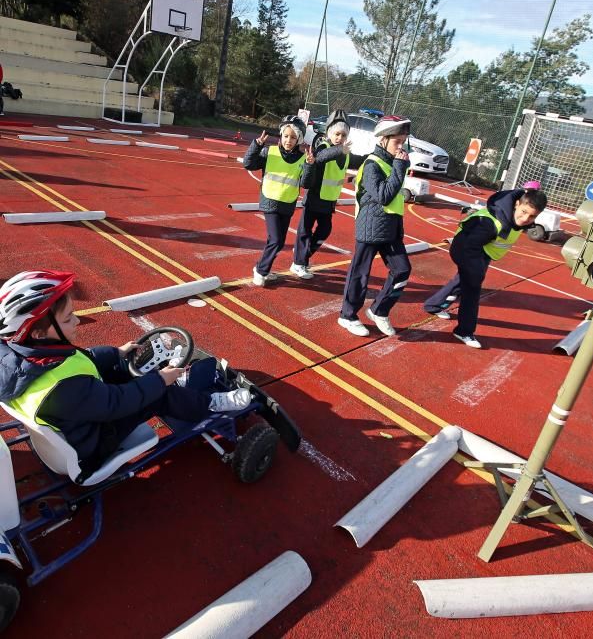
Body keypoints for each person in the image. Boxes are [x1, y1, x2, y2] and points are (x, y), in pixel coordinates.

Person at [0, 270, 253, 476]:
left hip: (74, 428)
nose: (77, 321)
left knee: (126, 370)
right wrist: (159, 380)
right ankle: (211, 402)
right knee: (156, 394)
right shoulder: (63, 389)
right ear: (39, 333)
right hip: (92, 446)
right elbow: (118, 403)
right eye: (68, 319)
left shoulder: (26, 356)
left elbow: (80, 359)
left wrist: (116, 353)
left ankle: (169, 380)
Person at [423, 188, 548, 348]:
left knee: (462, 281)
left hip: (483, 250)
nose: (525, 219)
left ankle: (433, 305)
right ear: (517, 204)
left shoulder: (513, 214)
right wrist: (475, 272)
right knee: (472, 291)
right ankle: (464, 331)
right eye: (523, 212)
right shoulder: (492, 223)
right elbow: (468, 245)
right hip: (466, 248)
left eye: (532, 216)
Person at [338, 115, 412, 337]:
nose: (401, 146)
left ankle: (379, 310)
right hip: (371, 226)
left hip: (390, 226)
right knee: (360, 274)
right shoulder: (372, 164)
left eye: (404, 141)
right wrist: (400, 165)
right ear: (383, 140)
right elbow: (384, 196)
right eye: (397, 141)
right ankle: (347, 316)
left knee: (402, 270)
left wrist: (399, 165)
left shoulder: (392, 162)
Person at [290, 110, 369, 279]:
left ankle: (302, 255)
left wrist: (377, 155)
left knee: (325, 230)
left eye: (343, 135)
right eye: (336, 134)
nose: (339, 138)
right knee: (304, 231)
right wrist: (340, 150)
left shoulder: (345, 153)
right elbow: (320, 158)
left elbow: (361, 160)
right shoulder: (323, 147)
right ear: (329, 134)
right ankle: (298, 263)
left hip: (329, 202)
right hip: (314, 198)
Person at [243, 115, 314, 286]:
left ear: (299, 139)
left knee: (278, 241)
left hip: (287, 204)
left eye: (293, 137)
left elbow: (306, 183)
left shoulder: (303, 158)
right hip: (270, 201)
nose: (289, 140)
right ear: (281, 136)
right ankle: (261, 271)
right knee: (276, 240)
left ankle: (262, 267)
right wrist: (257, 145)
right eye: (286, 136)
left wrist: (310, 165)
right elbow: (248, 164)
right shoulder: (269, 152)